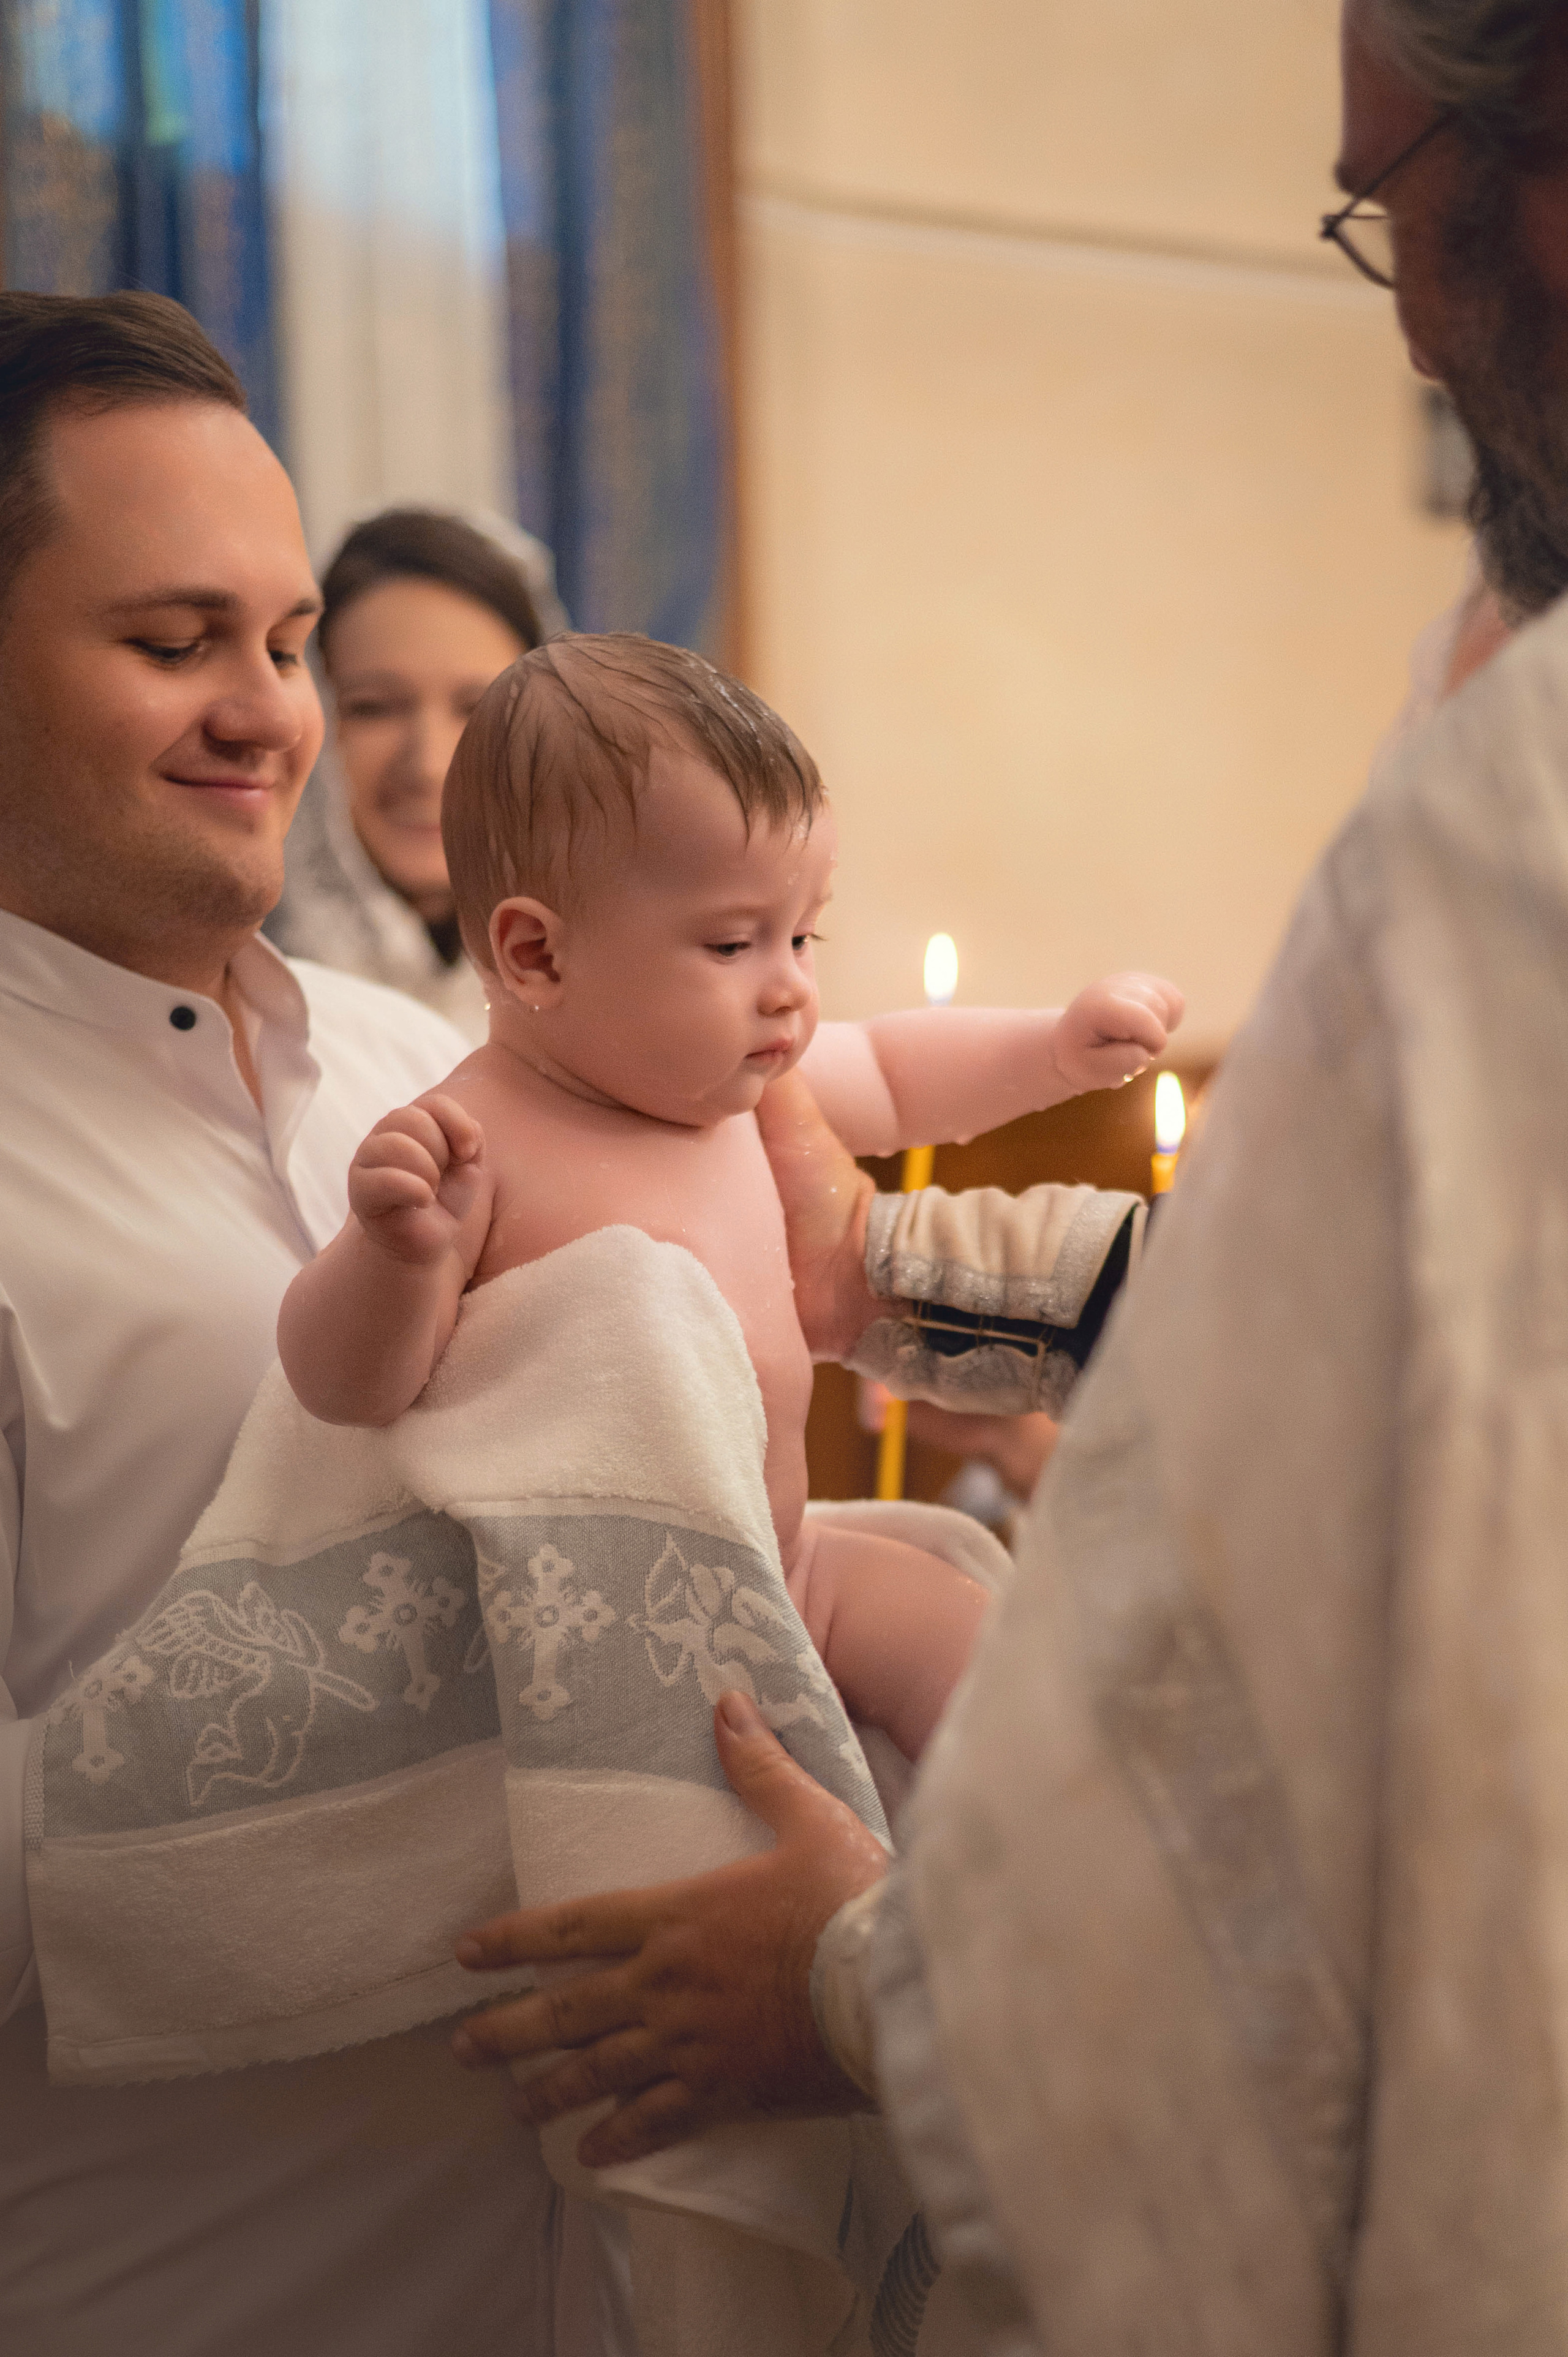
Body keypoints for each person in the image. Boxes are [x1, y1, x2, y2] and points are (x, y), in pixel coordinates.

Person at [440, 6, 1568, 2349]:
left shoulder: (1513, 827)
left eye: (1401, 213)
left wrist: (865, 1970)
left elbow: (1399, 1572)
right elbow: (1357, 1322)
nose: (1410, 314)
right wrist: (887, 1268)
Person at [0, 291, 628, 2356]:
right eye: (172, 641)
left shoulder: (420, 1061)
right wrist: (441, 1740)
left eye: (282, 642)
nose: (266, 714)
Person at [277, 631, 1183, 1765]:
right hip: (580, 1633)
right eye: (734, 941)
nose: (793, 985)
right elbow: (343, 1385)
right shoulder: (474, 1146)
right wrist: (393, 1254)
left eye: (803, 933)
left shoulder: (744, 1096)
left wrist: (1054, 1051)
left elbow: (902, 1073)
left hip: (785, 1563)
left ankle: (978, 1906)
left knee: (991, 1662)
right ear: (537, 956)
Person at [266, 506, 566, 1042]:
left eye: (478, 708)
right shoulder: (242, 1013)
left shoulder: (625, 1006)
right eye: (375, 708)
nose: (428, 766)